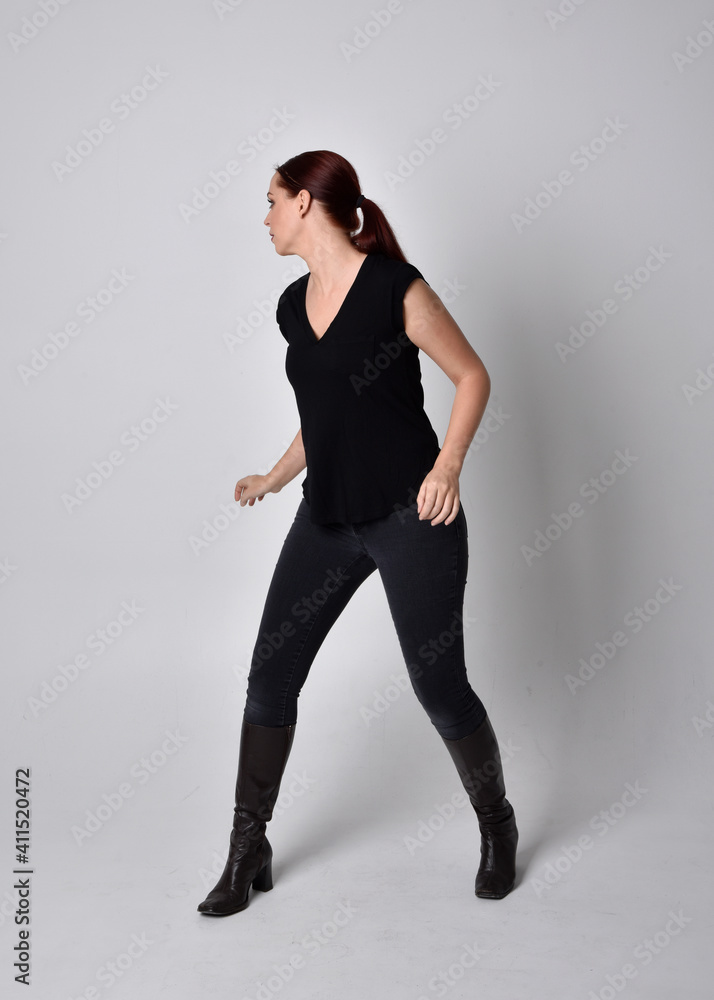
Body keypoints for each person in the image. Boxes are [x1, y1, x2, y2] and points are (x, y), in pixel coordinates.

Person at [197, 150, 518, 917]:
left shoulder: (396, 290)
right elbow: (326, 412)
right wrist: (276, 476)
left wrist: (448, 466)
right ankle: (248, 848)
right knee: (269, 677)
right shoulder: (289, 306)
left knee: (439, 687)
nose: (265, 216)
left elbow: (472, 376)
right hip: (329, 517)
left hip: (413, 515)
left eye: (272, 200)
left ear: (307, 203)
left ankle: (497, 825)